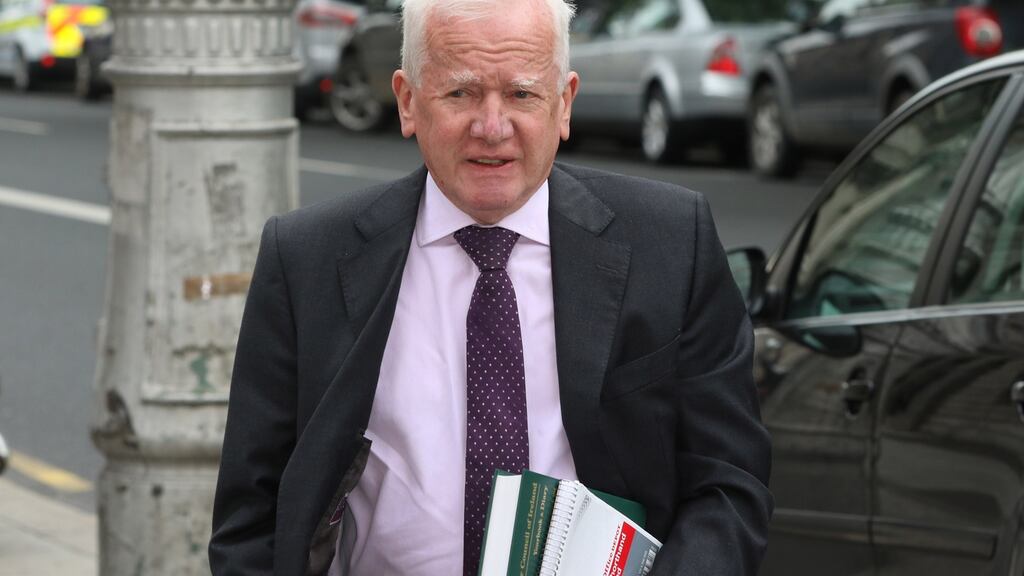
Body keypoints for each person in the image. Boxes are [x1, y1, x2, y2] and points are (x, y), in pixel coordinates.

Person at [208, 0, 772, 574]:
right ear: (407, 101)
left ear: (564, 103)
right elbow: (253, 511)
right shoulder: (307, 257)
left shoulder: (671, 242)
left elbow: (729, 484)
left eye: (523, 94)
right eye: (460, 93)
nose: (492, 127)